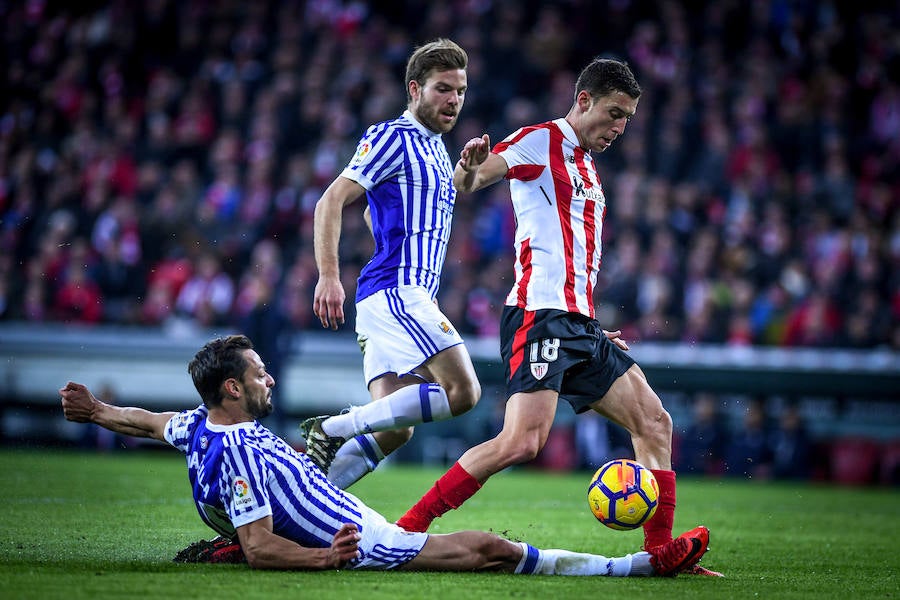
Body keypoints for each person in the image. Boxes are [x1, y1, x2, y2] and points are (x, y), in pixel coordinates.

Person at [393, 58, 722, 577]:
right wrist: (468, 164)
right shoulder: (539, 140)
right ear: (585, 100)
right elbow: (470, 182)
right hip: (539, 317)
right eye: (614, 114)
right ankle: (406, 530)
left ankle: (661, 556)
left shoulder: (588, 166)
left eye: (628, 120)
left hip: (578, 324)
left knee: (655, 423)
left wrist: (586, 322)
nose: (619, 128)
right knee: (521, 442)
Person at [58, 334, 709, 575]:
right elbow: (261, 547)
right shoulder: (241, 458)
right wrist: (326, 556)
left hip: (321, 498)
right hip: (358, 537)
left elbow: (149, 422)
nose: (270, 380)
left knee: (386, 434)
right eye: (260, 376)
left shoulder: (200, 427)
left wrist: (98, 412)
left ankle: (364, 430)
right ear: (233, 388)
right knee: (491, 549)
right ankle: (635, 570)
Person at [306, 39, 481, 488]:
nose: (454, 100)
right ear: (415, 88)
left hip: (387, 297)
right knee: (463, 392)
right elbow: (331, 201)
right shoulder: (394, 136)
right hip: (398, 292)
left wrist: (467, 172)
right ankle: (331, 428)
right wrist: (328, 275)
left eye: (460, 90)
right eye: (443, 89)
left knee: (394, 429)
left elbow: (378, 211)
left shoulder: (438, 150)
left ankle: (307, 496)